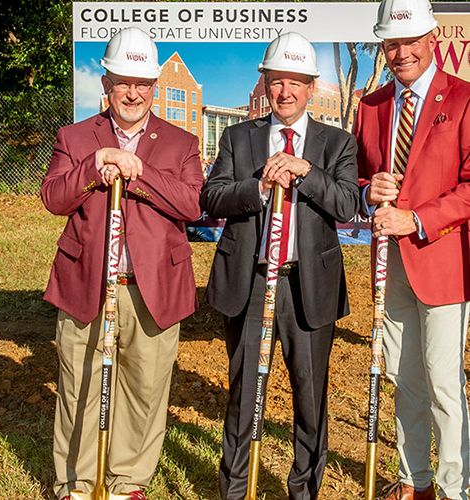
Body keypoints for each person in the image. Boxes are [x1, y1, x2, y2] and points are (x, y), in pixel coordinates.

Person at [41, 27, 203, 500]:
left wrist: (138, 172)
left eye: (142, 83)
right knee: (78, 387)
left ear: (153, 87)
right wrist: (95, 165)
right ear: (107, 84)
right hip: (87, 281)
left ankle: (127, 483)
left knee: (144, 390)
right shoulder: (74, 137)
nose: (133, 93)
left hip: (152, 286)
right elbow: (53, 196)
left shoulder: (180, 142)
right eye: (122, 82)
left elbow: (191, 205)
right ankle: (75, 484)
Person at [201, 32, 360, 500]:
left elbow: (348, 204)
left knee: (310, 399)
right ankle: (234, 491)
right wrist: (259, 186)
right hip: (250, 284)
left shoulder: (337, 142)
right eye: (276, 81)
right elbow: (212, 198)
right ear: (265, 83)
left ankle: (303, 491)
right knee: (243, 396)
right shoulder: (238, 137)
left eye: (295, 82)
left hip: (308, 287)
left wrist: (306, 171)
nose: (285, 91)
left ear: (311, 87)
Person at [353, 0, 470, 499]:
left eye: (409, 42)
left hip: (443, 262)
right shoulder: (373, 104)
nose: (401, 54)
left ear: (430, 40)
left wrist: (417, 218)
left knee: (444, 381)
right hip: (389, 263)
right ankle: (414, 481)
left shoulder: (464, 99)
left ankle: (454, 486)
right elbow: (357, 175)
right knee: (405, 378)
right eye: (392, 44)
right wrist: (366, 192)